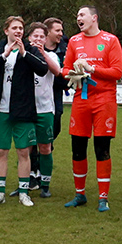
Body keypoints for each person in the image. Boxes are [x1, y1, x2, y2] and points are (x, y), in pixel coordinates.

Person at [0, 16, 56, 206]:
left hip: (23, 110)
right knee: (1, 151)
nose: (18, 31)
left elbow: (42, 69)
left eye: (21, 28)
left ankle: (24, 192)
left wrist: (24, 53)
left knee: (23, 151)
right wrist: (5, 55)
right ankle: (0, 193)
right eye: (14, 28)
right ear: (6, 31)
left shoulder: (29, 50)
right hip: (1, 110)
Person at [61, 5, 122, 211]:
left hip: (104, 100)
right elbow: (65, 70)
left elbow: (116, 72)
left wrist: (92, 68)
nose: (78, 18)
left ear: (94, 18)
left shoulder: (110, 40)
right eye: (77, 15)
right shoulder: (74, 41)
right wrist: (74, 74)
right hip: (81, 100)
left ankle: (103, 197)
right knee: (77, 148)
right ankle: (80, 195)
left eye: (82, 14)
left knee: (102, 148)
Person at [32, 19, 68, 196]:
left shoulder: (55, 54)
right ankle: (30, 179)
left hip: (48, 105)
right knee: (26, 146)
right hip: (26, 108)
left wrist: (43, 54)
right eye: (35, 36)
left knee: (46, 144)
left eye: (41, 36)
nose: (38, 39)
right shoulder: (21, 54)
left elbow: (58, 72)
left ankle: (44, 182)